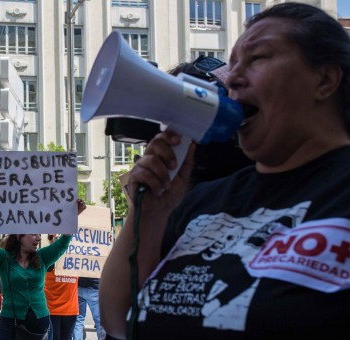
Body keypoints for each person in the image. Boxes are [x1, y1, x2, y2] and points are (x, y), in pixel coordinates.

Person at [100, 3, 350, 339]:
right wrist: (149, 215)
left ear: (325, 79)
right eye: (232, 65)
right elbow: (118, 319)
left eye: (258, 57)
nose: (232, 78)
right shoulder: (203, 203)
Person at [0, 198, 86, 340]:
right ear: (18, 235)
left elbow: (63, 242)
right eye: (34, 234)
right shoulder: (3, 259)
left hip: (39, 322)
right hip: (10, 321)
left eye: (39, 235)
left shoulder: (43, 257)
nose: (39, 238)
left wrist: (73, 216)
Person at [44, 234, 79, 340]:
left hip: (70, 310)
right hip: (52, 310)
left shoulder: (76, 259)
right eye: (51, 237)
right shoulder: (47, 258)